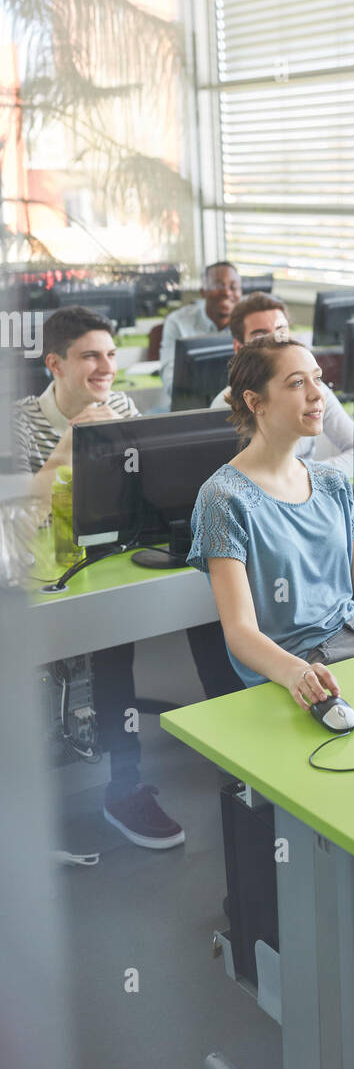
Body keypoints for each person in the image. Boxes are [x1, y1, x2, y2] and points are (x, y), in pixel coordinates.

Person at [14, 306, 184, 849]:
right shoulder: (18, 423)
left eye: (111, 355)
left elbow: (144, 499)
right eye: (91, 355)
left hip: (101, 566)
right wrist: (68, 448)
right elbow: (18, 521)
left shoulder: (121, 407)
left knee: (116, 649)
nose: (106, 367)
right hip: (30, 579)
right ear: (56, 365)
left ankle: (125, 786)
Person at [187, 335, 354, 699]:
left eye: (318, 378)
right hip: (300, 666)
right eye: (297, 383)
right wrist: (298, 674)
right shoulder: (223, 497)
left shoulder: (331, 481)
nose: (317, 394)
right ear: (255, 401)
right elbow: (240, 631)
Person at [209, 292, 354, 476]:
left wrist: (307, 477)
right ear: (239, 348)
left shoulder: (316, 389)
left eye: (281, 333)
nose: (274, 343)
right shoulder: (225, 406)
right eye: (261, 337)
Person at [159, 261, 242, 398]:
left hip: (240, 403)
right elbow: (170, 376)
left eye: (233, 287)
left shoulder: (250, 321)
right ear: (203, 291)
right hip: (194, 403)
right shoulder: (177, 322)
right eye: (218, 285)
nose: (227, 292)